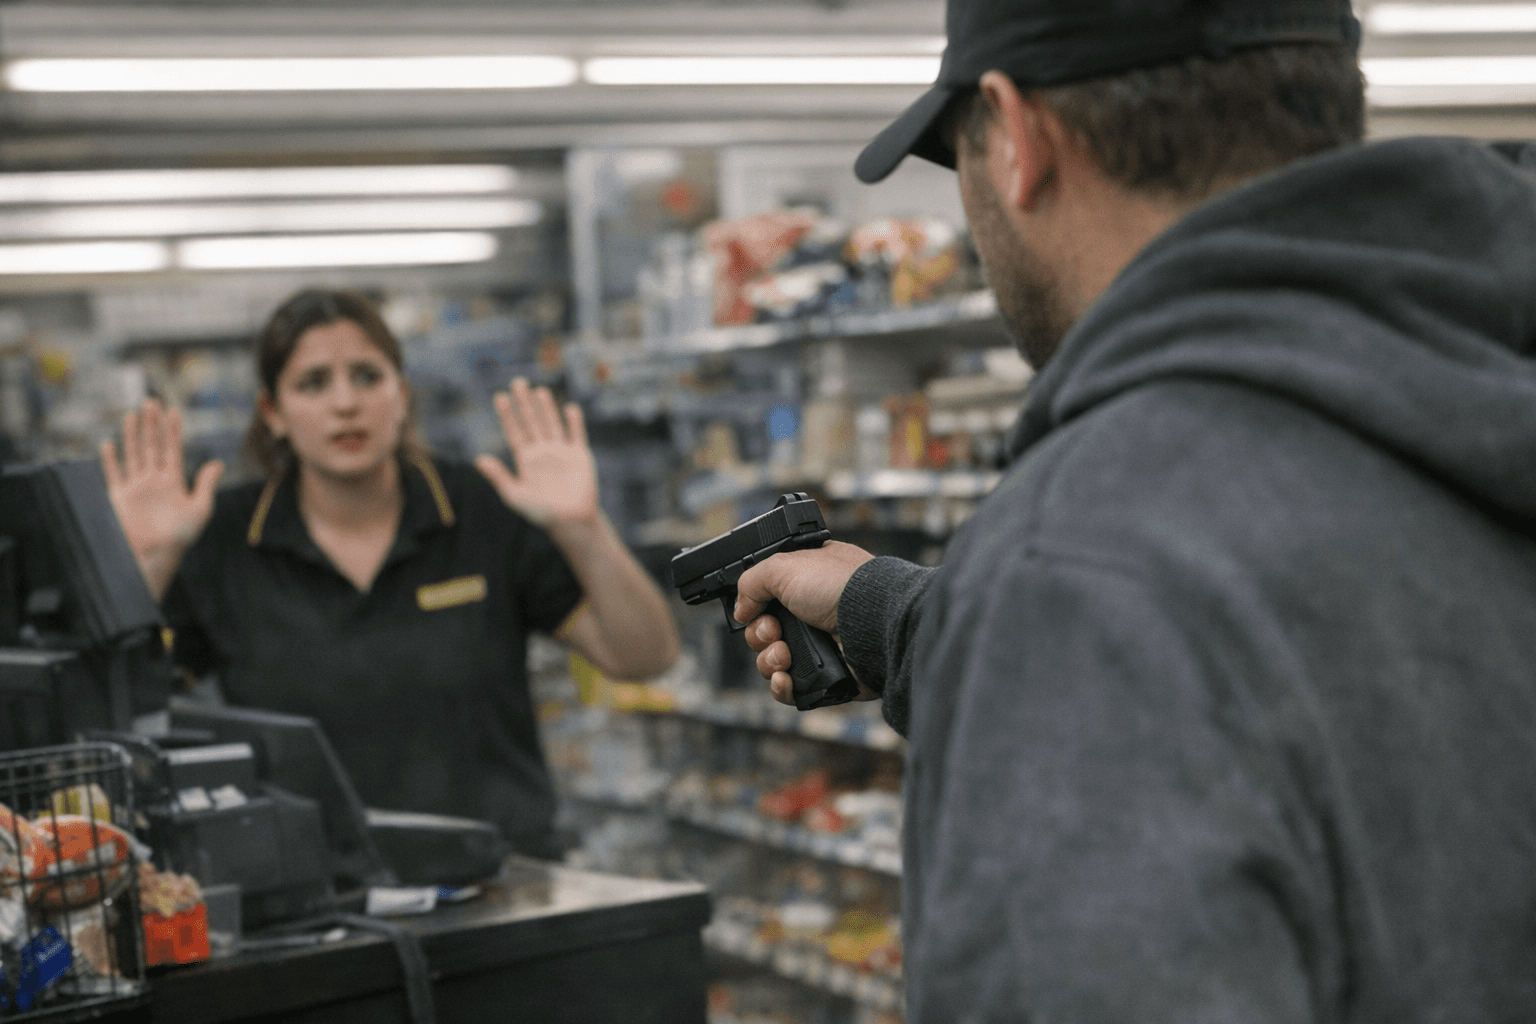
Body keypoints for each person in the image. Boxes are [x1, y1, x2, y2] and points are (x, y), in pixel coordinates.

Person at [735, 0, 1536, 1019]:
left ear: (1015, 136)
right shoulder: (1470, 390)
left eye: (958, 153)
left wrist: (1025, 605)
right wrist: (896, 614)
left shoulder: (1082, 562)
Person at [102, 289, 679, 860]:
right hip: (311, 891)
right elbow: (120, 709)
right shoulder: (225, 538)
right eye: (313, 383)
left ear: (401, 396)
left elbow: (644, 657)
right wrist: (150, 564)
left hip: (504, 879)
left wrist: (583, 529)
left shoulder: (481, 508)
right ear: (273, 413)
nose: (345, 403)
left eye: (367, 376)